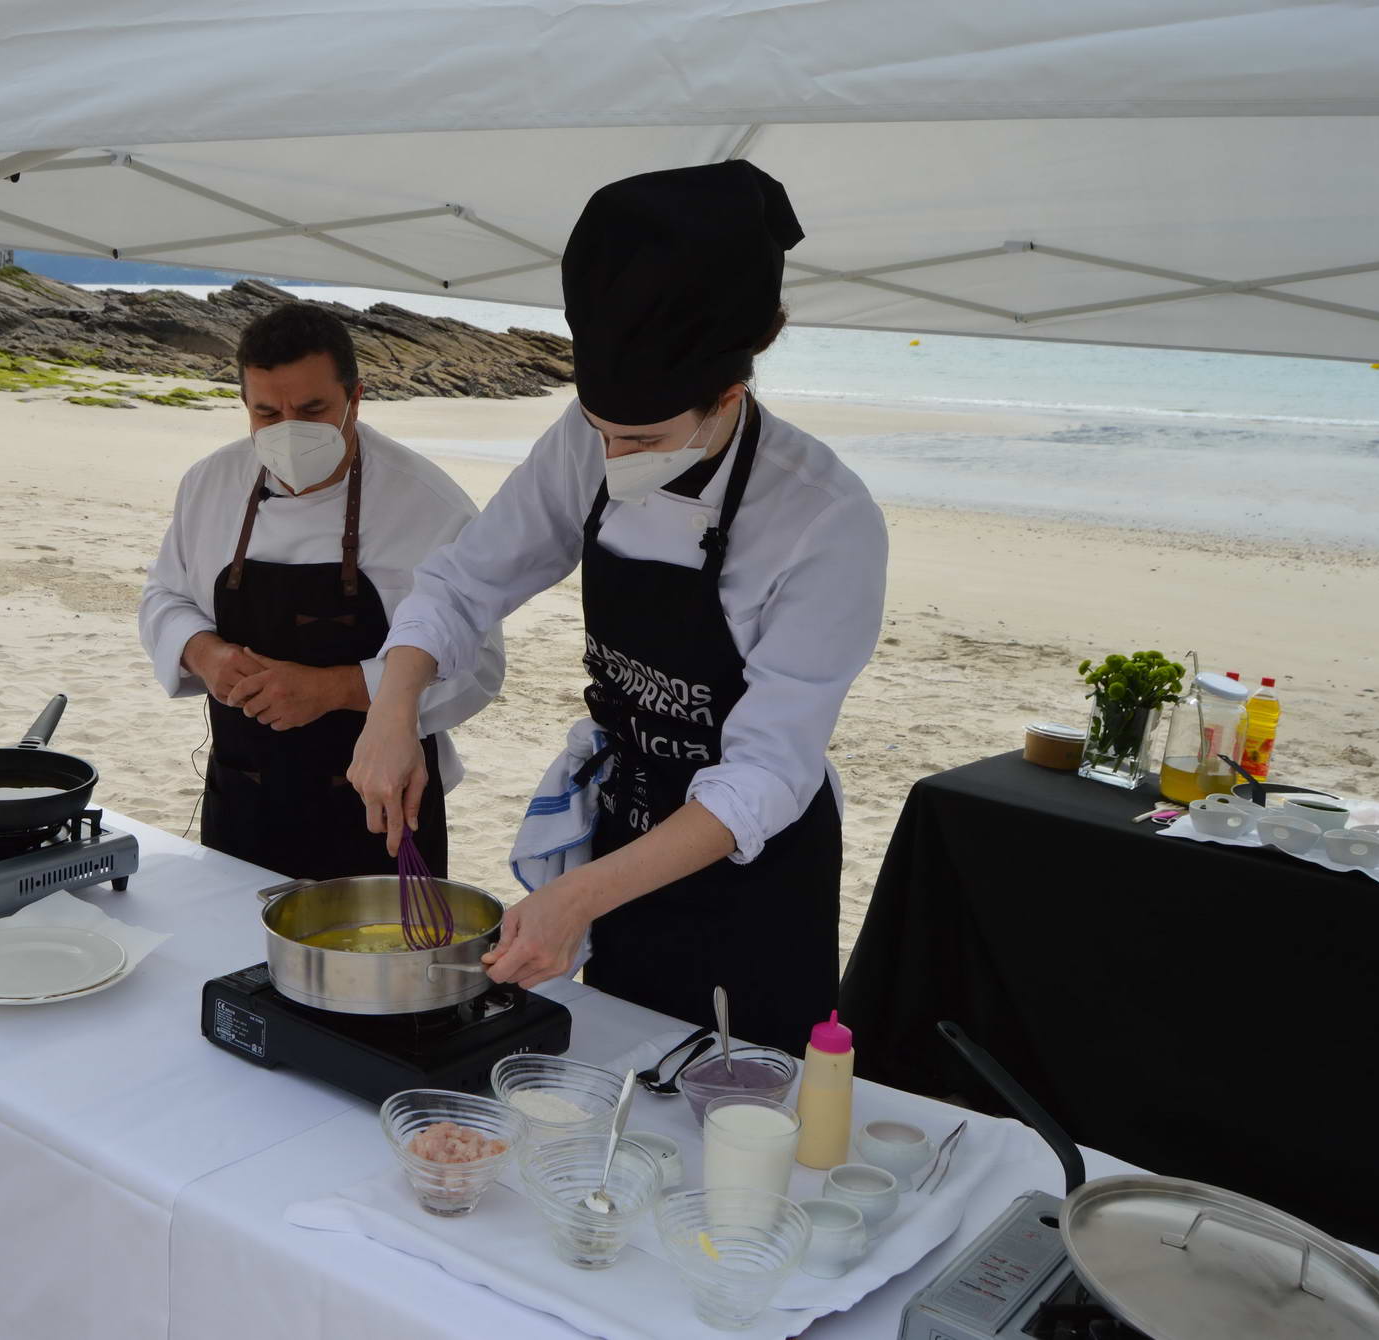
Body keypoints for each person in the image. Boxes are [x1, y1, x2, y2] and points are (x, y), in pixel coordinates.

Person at [348, 162, 888, 1051]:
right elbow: (462, 581)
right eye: (598, 428)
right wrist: (394, 707)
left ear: (730, 394)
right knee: (612, 1073)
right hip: (624, 816)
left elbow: (766, 774)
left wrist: (581, 896)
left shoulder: (825, 523)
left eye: (640, 440)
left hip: (752, 867)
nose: (611, 455)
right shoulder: (584, 440)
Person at [140, 303, 504, 879]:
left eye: (312, 409)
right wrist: (203, 653)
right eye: (267, 413)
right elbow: (163, 596)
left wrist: (334, 689)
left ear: (355, 399)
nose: (289, 430)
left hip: (377, 813)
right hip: (241, 795)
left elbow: (479, 666)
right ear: (245, 406)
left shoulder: (428, 505)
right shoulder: (209, 484)